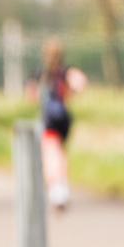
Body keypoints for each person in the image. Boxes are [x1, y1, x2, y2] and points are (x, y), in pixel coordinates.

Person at [29, 37, 87, 210]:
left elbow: (32, 96)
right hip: (64, 117)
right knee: (61, 152)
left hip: (49, 119)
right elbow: (80, 84)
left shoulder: (40, 74)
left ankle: (57, 189)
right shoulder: (67, 72)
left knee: (50, 154)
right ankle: (63, 186)